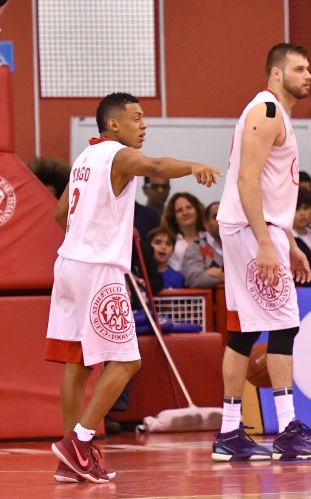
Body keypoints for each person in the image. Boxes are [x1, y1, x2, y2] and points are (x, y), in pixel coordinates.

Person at [44, 92, 219, 484]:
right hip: (98, 270)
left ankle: (72, 457)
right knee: (127, 361)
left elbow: (59, 213)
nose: (144, 125)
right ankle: (80, 442)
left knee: (77, 362)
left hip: (68, 264)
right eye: (136, 117)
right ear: (113, 124)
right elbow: (155, 165)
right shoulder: (118, 155)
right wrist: (193, 166)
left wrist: (87, 232)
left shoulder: (84, 158)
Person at [213, 43, 311, 462]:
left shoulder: (275, 113)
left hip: (257, 229)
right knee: (285, 326)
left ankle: (230, 433)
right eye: (299, 69)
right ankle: (287, 430)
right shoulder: (266, 111)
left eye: (309, 68)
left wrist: (289, 241)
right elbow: (246, 180)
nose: (308, 75)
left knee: (244, 331)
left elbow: (268, 188)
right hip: (251, 230)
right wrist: (266, 242)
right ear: (277, 74)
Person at [182, 201, 225, 288]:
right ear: (206, 223)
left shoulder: (239, 245)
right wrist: (231, 277)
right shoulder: (195, 247)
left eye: (225, 216)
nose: (222, 220)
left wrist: (208, 274)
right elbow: (194, 280)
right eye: (216, 216)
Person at [161, 192, 207, 270]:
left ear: (197, 211)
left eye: (189, 207)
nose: (185, 213)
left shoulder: (210, 237)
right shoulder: (171, 244)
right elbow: (178, 271)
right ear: (174, 218)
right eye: (179, 210)